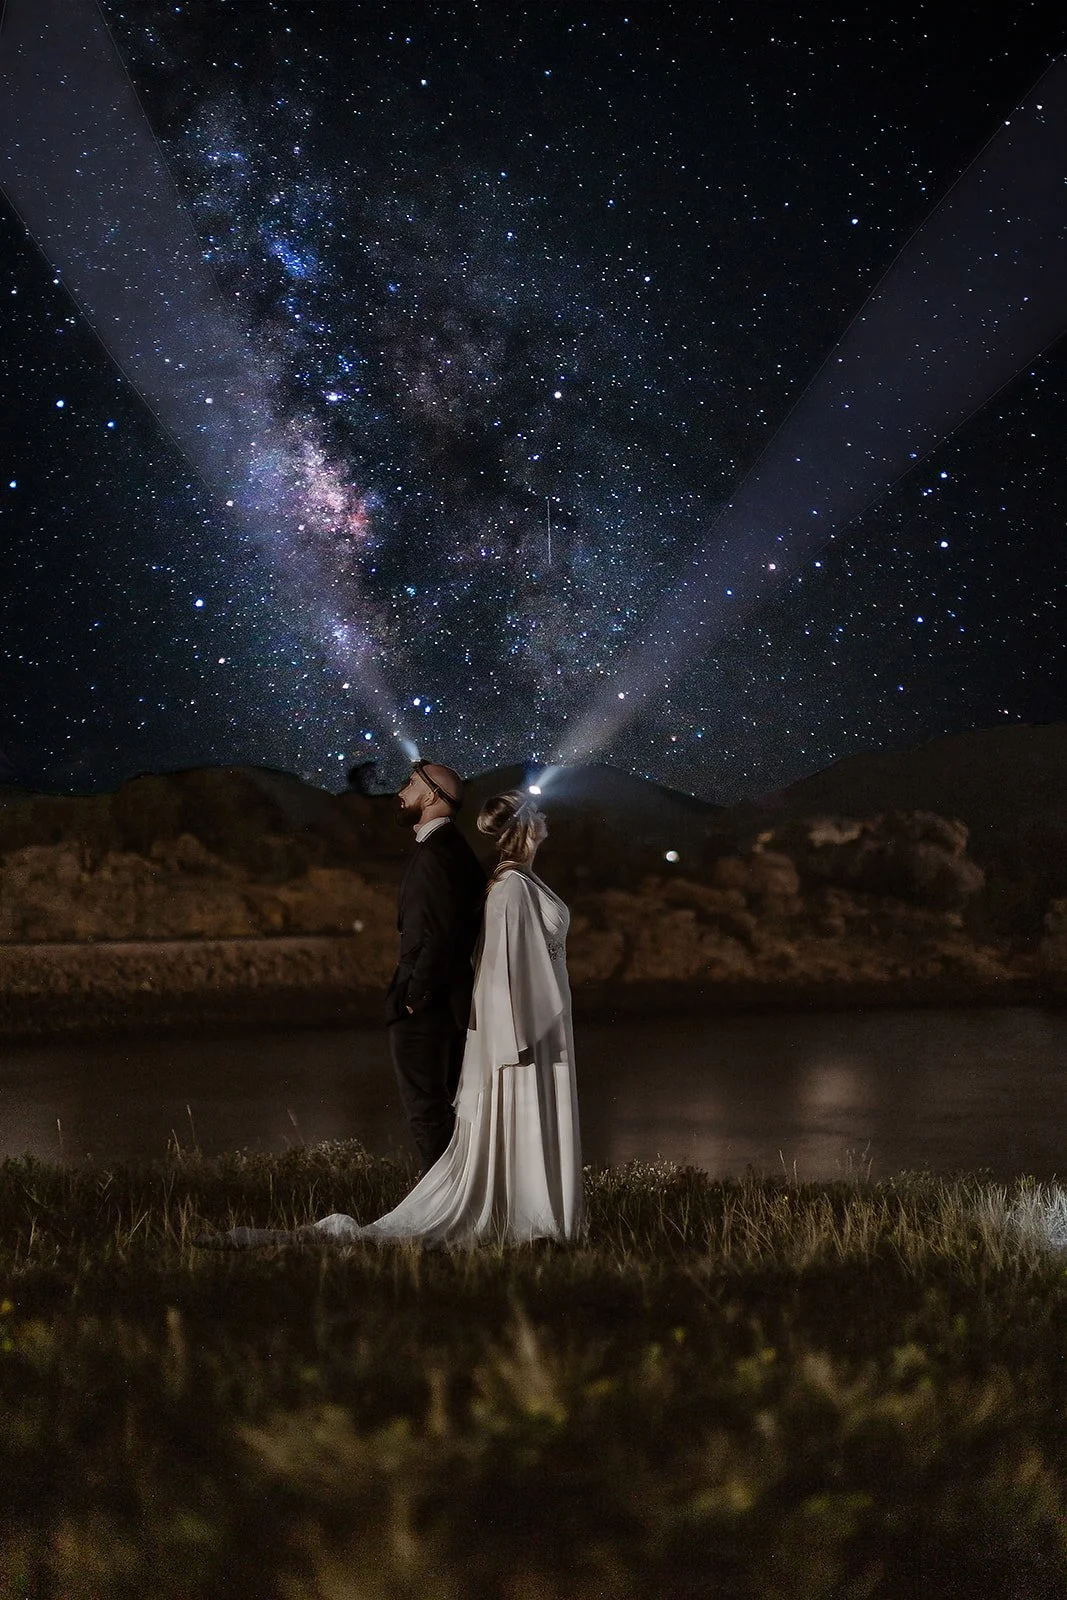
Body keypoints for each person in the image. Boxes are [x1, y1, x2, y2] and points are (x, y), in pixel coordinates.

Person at [202, 789, 583, 1248]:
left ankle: (542, 1217)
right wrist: (523, 1036)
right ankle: (529, 1217)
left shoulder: (521, 881)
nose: (545, 817)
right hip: (533, 1028)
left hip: (544, 1020)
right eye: (538, 811)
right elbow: (502, 972)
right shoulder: (510, 888)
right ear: (526, 824)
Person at [385, 760, 486, 1173]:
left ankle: (441, 1200)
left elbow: (439, 935)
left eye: (411, 784)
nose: (402, 791)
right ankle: (453, 1193)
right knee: (440, 1105)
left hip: (428, 1005)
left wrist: (414, 997)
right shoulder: (448, 848)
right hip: (444, 1000)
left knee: (426, 1108)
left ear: (430, 796)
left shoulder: (438, 854)